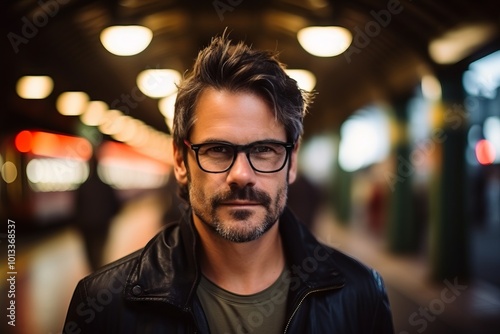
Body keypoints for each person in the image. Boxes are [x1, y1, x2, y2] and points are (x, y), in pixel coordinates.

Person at [63, 34, 394, 333]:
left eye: (264, 150)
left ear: (291, 162)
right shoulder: (104, 304)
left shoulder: (361, 293)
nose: (241, 175)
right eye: (218, 150)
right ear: (181, 161)